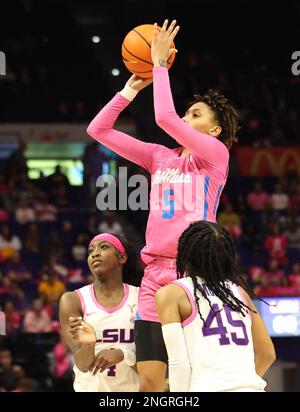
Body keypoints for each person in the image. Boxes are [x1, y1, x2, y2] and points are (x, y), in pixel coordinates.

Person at [87, 19, 239, 391]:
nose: (186, 119)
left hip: (195, 272)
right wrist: (128, 89)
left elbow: (164, 117)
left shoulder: (215, 156)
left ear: (215, 130)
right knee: (151, 382)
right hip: (154, 275)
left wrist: (159, 64)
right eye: (187, 113)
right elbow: (98, 131)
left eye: (196, 115)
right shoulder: (159, 156)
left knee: (194, 377)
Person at [155, 221, 276, 392]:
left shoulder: (172, 293)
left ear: (186, 253)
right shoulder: (240, 293)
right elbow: (267, 354)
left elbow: (179, 364)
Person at [59, 233, 140, 392]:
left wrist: (123, 354)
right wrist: (89, 342)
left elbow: (152, 362)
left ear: (122, 258)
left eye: (103, 247)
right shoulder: (72, 300)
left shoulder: (142, 297)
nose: (94, 253)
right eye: (90, 251)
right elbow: (83, 365)